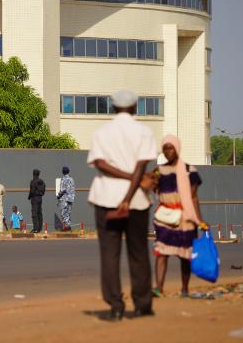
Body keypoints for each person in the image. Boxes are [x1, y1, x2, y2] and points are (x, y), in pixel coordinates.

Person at [87, 90, 157, 321]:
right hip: (137, 200)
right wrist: (130, 191)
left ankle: (115, 305)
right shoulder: (144, 132)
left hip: (106, 197)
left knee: (109, 253)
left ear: (113, 107)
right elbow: (140, 167)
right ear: (135, 107)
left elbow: (99, 164)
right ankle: (142, 305)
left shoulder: (101, 132)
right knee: (138, 252)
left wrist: (123, 188)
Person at [152, 135, 208, 298]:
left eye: (171, 147)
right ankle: (158, 288)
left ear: (177, 148)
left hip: (185, 218)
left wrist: (199, 220)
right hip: (165, 217)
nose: (168, 151)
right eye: (165, 148)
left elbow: (194, 197)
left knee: (185, 255)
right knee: (161, 252)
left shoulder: (190, 170)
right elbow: (151, 187)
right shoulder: (158, 171)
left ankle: (184, 289)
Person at [57, 166, 76, 231]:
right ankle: (68, 226)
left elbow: (63, 190)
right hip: (71, 198)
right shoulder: (72, 179)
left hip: (64, 198)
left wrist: (59, 196)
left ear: (63, 172)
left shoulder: (63, 179)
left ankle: (65, 227)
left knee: (63, 212)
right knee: (68, 212)